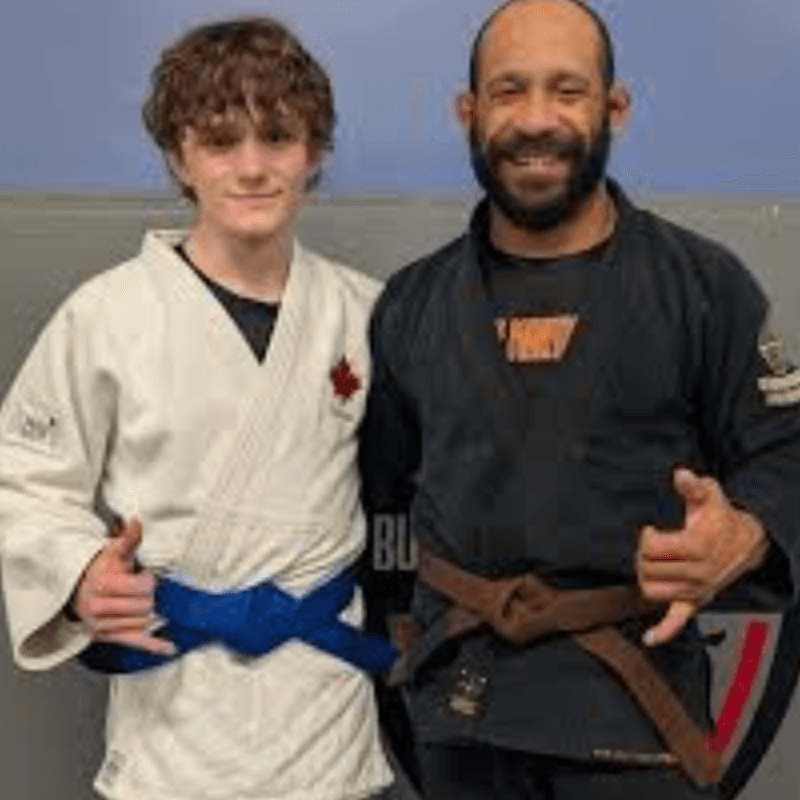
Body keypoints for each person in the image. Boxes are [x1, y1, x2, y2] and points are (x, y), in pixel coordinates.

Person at [359, 1, 800, 798]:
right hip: (462, 711)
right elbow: (377, 511)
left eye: (567, 91)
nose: (536, 119)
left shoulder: (702, 288)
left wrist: (748, 531)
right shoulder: (412, 305)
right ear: (468, 112)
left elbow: (785, 453)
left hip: (636, 709)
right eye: (508, 91)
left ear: (614, 109)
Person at [0, 17, 395, 800]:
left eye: (277, 137)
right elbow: (22, 480)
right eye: (219, 142)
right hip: (175, 721)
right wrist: (79, 573)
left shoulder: (366, 314)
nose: (251, 167)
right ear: (179, 158)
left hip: (323, 713)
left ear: (315, 151)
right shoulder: (106, 316)